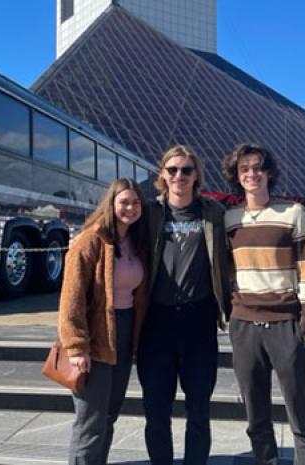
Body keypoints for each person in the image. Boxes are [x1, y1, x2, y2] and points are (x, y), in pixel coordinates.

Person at [222, 143, 305, 465]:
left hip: (285, 323)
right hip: (244, 324)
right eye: (244, 169)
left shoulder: (293, 213)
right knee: (255, 411)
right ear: (236, 177)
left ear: (269, 173)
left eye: (257, 168)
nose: (251, 174)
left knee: (300, 408)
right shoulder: (229, 219)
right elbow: (223, 271)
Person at [137, 144, 231, 465]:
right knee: (156, 411)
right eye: (173, 169)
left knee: (199, 411)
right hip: (156, 324)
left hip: (198, 321)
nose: (179, 176)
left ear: (196, 175)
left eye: (186, 170)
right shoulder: (149, 212)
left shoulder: (213, 213)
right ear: (162, 174)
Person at [58, 178, 149, 465]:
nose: (130, 208)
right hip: (95, 337)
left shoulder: (134, 242)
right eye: (124, 202)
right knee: (91, 420)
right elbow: (71, 297)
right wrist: (76, 347)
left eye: (136, 203)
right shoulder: (91, 240)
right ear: (110, 204)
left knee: (109, 414)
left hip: (123, 334)